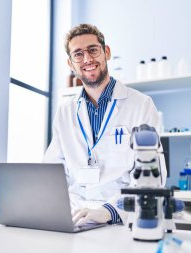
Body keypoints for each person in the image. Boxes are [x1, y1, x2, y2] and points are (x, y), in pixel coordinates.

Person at [44, 24, 166, 226]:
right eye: (78, 54)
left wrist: (108, 210)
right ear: (71, 63)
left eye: (93, 50)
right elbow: (52, 172)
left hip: (121, 217)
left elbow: (153, 176)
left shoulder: (141, 104)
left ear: (106, 52)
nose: (88, 59)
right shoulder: (64, 112)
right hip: (75, 217)